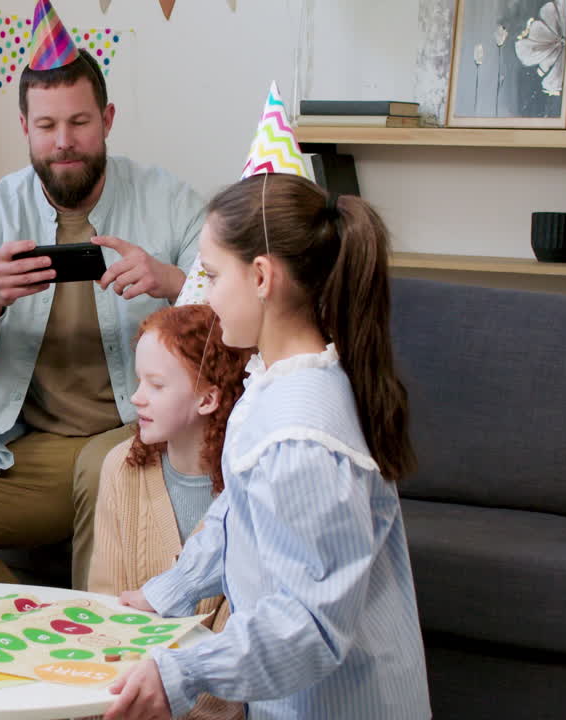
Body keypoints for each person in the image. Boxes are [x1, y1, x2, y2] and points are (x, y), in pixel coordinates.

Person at [105, 174, 431, 720]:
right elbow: (240, 511)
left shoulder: (300, 436)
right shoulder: (275, 382)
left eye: (211, 275)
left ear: (261, 277)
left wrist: (185, 670)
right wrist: (171, 592)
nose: (204, 296)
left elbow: (310, 624)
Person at [0, 0, 207, 589]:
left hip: (139, 432)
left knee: (100, 468)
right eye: (47, 126)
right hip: (31, 450)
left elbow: (237, 329)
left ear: (107, 119)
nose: (64, 143)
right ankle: (18, 627)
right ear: (24, 129)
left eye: (79, 123)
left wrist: (174, 283)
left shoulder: (170, 201)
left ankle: (93, 661)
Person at [89, 304, 248, 720]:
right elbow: (105, 612)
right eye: (138, 380)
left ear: (207, 398)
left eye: (156, 385)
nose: (136, 397)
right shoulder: (121, 469)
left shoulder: (248, 488)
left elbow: (237, 666)